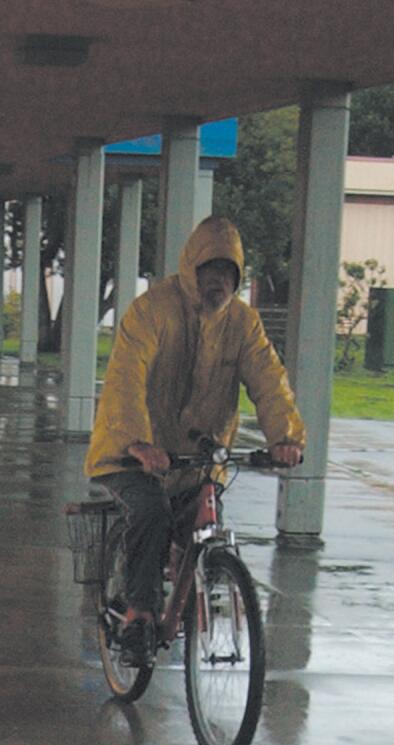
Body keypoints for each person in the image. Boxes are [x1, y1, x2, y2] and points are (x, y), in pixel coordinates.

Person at [83, 215, 305, 667]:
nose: (219, 281)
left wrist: (285, 437)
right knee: (151, 512)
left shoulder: (243, 324)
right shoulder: (153, 310)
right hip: (132, 454)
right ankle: (139, 614)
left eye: (229, 273)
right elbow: (126, 378)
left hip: (196, 459)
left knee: (202, 521)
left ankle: (196, 592)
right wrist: (138, 442)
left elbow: (269, 379)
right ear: (192, 269)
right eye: (211, 269)